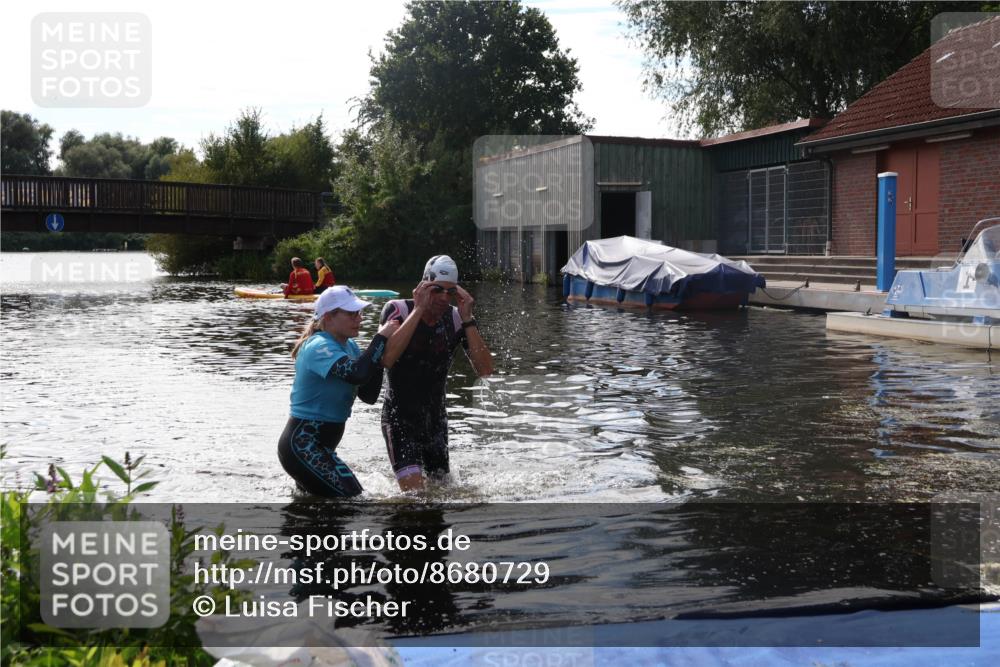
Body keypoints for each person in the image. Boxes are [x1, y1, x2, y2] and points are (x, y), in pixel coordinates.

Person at [380, 255, 493, 491]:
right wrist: (419, 309)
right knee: (415, 500)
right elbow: (387, 358)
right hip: (400, 418)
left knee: (443, 496)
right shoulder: (398, 310)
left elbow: (485, 371)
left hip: (435, 422)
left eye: (450, 292)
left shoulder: (457, 319)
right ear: (422, 286)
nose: (443, 297)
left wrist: (468, 319)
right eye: (436, 290)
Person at [278, 286, 399, 497]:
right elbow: (357, 374)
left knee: (319, 513)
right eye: (351, 314)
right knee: (354, 501)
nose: (359, 319)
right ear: (328, 317)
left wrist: (380, 359)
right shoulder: (318, 345)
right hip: (303, 445)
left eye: (359, 313)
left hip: (321, 447)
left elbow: (368, 395)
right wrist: (380, 339)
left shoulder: (350, 346)